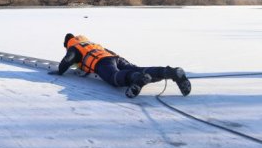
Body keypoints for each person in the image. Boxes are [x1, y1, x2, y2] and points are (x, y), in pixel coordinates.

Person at [48, 33, 191, 98]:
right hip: (115, 57)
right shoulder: (90, 43)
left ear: (68, 43)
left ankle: (137, 79)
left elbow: (68, 60)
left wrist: (60, 71)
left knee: (114, 77)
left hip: (101, 62)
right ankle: (171, 72)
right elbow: (108, 52)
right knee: (138, 68)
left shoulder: (74, 47)